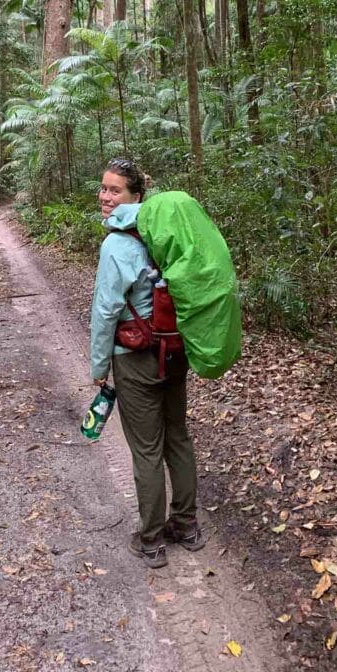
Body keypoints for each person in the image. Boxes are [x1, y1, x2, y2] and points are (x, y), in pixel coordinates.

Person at [90, 158, 203, 569]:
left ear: (136, 197)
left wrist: (99, 365)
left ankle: (152, 539)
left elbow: (106, 310)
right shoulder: (167, 235)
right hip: (175, 352)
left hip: (135, 359)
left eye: (114, 190)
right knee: (178, 438)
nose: (105, 197)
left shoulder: (117, 244)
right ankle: (187, 526)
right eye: (103, 188)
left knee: (147, 450)